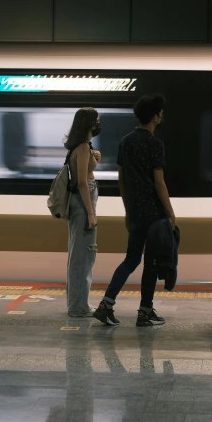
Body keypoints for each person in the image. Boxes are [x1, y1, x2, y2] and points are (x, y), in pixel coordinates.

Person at [94, 93, 175, 327]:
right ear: (155, 116)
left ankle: (106, 305)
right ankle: (144, 312)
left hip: (136, 211)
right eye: (160, 112)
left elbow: (122, 179)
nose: (162, 116)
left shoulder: (126, 141)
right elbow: (159, 183)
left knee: (131, 259)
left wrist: (128, 209)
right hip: (154, 213)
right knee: (150, 263)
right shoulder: (154, 143)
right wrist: (170, 212)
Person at [64, 107, 101, 318]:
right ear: (89, 124)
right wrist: (91, 214)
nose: (98, 125)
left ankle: (75, 303)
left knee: (77, 255)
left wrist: (95, 158)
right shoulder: (84, 147)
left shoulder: (77, 147)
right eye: (96, 121)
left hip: (77, 204)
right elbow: (82, 182)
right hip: (83, 203)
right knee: (84, 256)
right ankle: (78, 307)